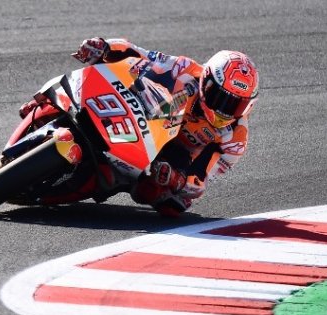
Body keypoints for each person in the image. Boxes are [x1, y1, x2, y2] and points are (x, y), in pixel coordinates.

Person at [69, 37, 259, 216]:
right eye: (220, 97)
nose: (224, 109)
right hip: (144, 120)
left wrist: (175, 178)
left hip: (167, 160)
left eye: (236, 105)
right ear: (207, 80)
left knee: (169, 204)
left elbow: (201, 180)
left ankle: (101, 179)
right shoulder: (184, 69)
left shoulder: (235, 139)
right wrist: (105, 47)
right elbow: (139, 54)